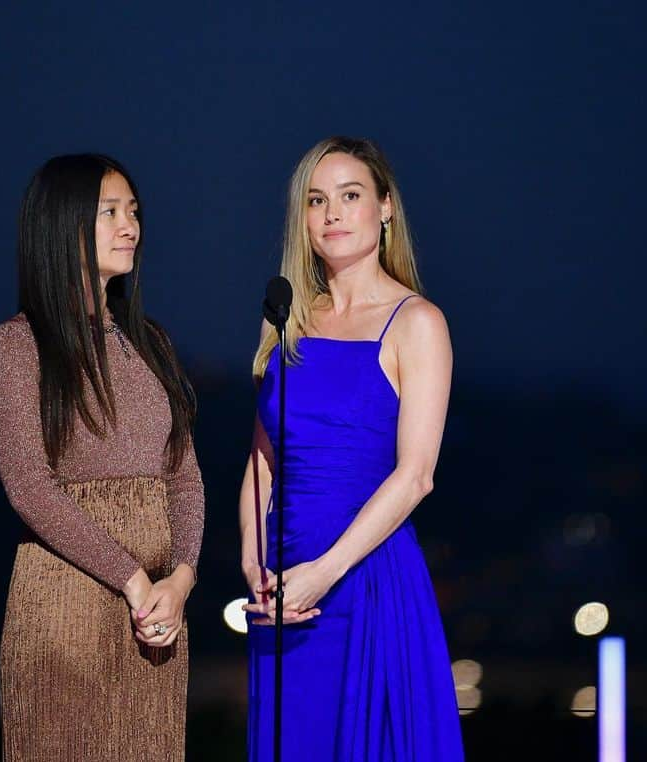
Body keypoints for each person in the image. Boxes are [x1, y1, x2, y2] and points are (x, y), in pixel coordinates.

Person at [240, 137, 464, 760]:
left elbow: (416, 476)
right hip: (281, 590)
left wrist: (323, 574)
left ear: (386, 208)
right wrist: (254, 565)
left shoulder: (417, 322)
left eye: (351, 195)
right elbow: (262, 461)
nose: (332, 213)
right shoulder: (287, 318)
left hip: (363, 580)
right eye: (317, 200)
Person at [0, 154, 204, 761]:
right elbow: (28, 486)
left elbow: (182, 475)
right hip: (65, 612)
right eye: (110, 211)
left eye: (133, 211)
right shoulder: (17, 346)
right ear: (63, 224)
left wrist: (181, 578)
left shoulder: (151, 341)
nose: (130, 225)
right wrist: (133, 579)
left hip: (156, 619)